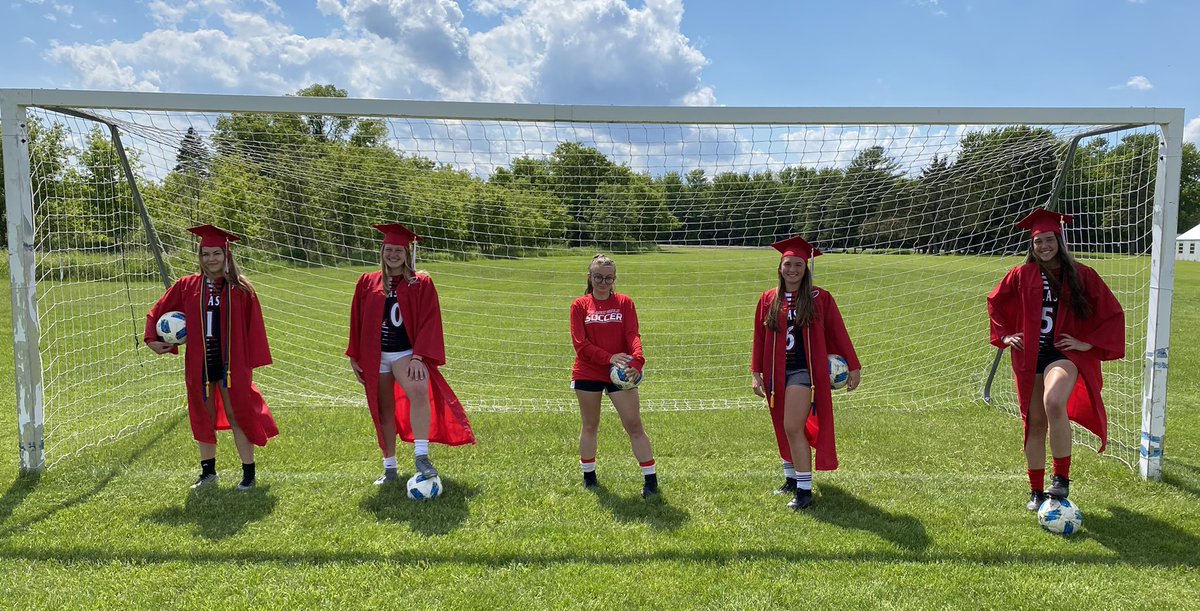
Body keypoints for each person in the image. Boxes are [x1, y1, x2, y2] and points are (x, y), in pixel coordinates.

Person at [987, 209, 1124, 510]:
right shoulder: (1020, 275)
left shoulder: (1082, 275)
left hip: (1063, 354)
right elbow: (995, 302)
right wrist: (1006, 336)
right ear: (1032, 246)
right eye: (1038, 242)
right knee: (1035, 424)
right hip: (1031, 354)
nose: (1044, 247)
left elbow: (1113, 312)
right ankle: (1036, 491)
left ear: (1059, 241)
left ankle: (1061, 479)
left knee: (1054, 402)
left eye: (1049, 240)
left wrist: (1086, 343)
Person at [144, 224, 277, 491]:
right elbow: (159, 312)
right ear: (199, 256)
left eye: (216, 253)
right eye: (205, 254)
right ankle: (208, 473)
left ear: (226, 255)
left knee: (237, 412)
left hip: (233, 362)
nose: (211, 259)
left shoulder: (241, 290)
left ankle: (248, 474)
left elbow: (255, 326)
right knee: (201, 414)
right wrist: (153, 340)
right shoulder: (187, 286)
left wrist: (250, 362)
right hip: (200, 361)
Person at [347, 223, 474, 486]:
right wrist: (354, 356)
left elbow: (429, 320)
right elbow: (356, 320)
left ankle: (421, 455)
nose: (393, 255)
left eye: (399, 250)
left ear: (407, 253)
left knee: (418, 390)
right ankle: (390, 466)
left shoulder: (421, 282)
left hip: (405, 352)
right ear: (382, 251)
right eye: (389, 250)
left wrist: (419, 357)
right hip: (376, 355)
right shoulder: (367, 282)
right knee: (383, 409)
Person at [751, 236, 860, 510]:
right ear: (780, 267)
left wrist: (854, 366)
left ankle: (804, 492)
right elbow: (759, 338)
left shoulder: (819, 298)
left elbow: (838, 332)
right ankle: (790, 478)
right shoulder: (768, 299)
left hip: (803, 371)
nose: (793, 269)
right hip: (776, 371)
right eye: (788, 264)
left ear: (805, 268)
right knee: (781, 424)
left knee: (792, 426)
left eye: (798, 264)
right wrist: (756, 372)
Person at [569, 254, 659, 498]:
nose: (603, 282)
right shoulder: (579, 305)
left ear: (614, 279)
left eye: (608, 278)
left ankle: (651, 481)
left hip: (621, 372)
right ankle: (589, 477)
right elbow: (580, 344)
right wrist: (609, 358)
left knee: (634, 425)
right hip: (588, 371)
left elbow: (633, 334)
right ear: (589, 276)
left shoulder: (624, 302)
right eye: (598, 276)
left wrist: (637, 361)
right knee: (590, 425)